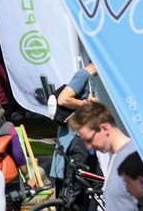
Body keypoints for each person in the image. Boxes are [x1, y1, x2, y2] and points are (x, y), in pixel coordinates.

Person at [69, 101, 139, 211]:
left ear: (104, 128)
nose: (88, 147)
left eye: (89, 140)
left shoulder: (135, 158)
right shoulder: (116, 158)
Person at [51, 62, 100, 197]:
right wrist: (87, 104)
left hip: (82, 141)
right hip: (76, 140)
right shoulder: (82, 75)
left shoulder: (86, 76)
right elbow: (63, 99)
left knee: (95, 184)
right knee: (74, 188)